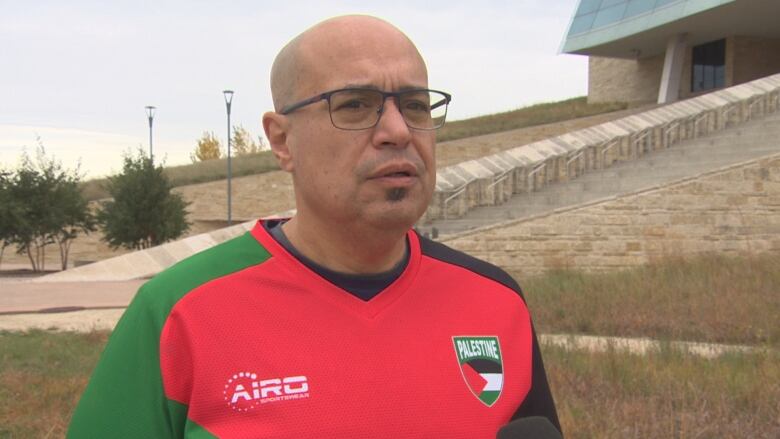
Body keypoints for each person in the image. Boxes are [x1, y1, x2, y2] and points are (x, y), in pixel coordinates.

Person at [68, 15, 560, 438]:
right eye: (354, 104)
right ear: (282, 141)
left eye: (415, 105)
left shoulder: (497, 302)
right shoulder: (177, 312)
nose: (398, 131)